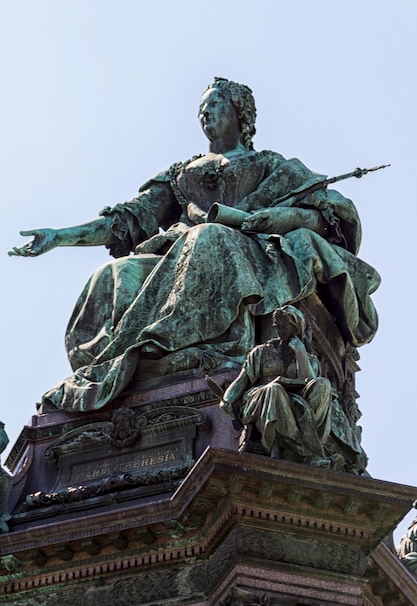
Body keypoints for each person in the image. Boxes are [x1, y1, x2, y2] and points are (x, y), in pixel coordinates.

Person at [9, 77, 380, 412]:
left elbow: (328, 213)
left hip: (248, 249)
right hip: (176, 252)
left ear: (241, 112)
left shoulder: (272, 166)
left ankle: (188, 350)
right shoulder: (180, 174)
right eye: (202, 107)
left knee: (208, 238)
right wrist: (61, 236)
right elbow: (127, 219)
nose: (206, 111)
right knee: (111, 275)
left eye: (216, 104)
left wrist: (280, 219)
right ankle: (122, 364)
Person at [219, 306, 334, 467]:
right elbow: (242, 380)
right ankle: (305, 451)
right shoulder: (261, 352)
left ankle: (296, 448)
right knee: (275, 389)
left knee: (324, 385)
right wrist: (227, 399)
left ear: (296, 327)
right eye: (276, 326)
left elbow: (309, 382)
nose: (279, 330)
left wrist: (300, 352)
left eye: (283, 326)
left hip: (295, 399)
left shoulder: (311, 360)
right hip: (261, 398)